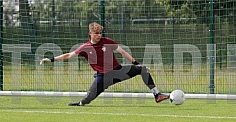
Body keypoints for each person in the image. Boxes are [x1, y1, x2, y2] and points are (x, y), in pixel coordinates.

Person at [40, 22, 169, 106]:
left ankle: (157, 95)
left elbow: (122, 52)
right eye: (96, 33)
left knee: (143, 69)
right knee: (87, 99)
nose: (99, 35)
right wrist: (51, 60)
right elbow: (68, 55)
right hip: (103, 76)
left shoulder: (107, 41)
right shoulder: (85, 47)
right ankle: (79, 103)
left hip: (118, 72)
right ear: (90, 34)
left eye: (100, 33)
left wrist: (136, 63)